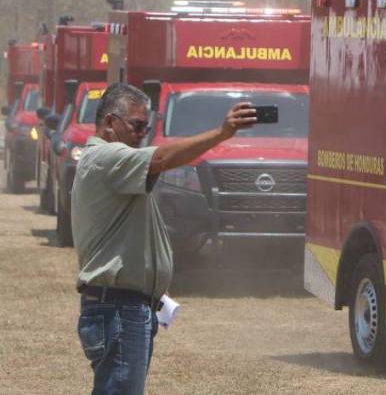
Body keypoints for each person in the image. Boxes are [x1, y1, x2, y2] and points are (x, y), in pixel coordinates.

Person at [72, 83, 257, 394]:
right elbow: (160, 159)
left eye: (147, 125)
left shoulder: (113, 165)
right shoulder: (105, 156)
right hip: (118, 308)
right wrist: (222, 133)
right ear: (108, 123)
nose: (143, 133)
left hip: (123, 306)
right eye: (137, 124)